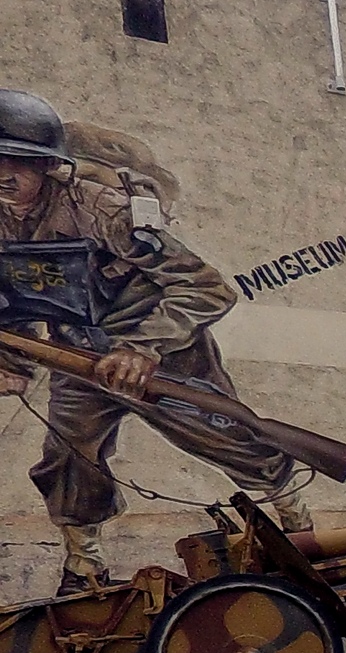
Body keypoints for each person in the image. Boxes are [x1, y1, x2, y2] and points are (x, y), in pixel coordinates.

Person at [0, 89, 312, 594]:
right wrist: (9, 360)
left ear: (47, 166)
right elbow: (11, 301)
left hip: (163, 348)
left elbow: (206, 287)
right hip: (76, 355)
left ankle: (299, 531)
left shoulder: (104, 209)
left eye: (16, 162)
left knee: (230, 438)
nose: (3, 176)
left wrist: (143, 348)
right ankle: (85, 570)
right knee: (66, 458)